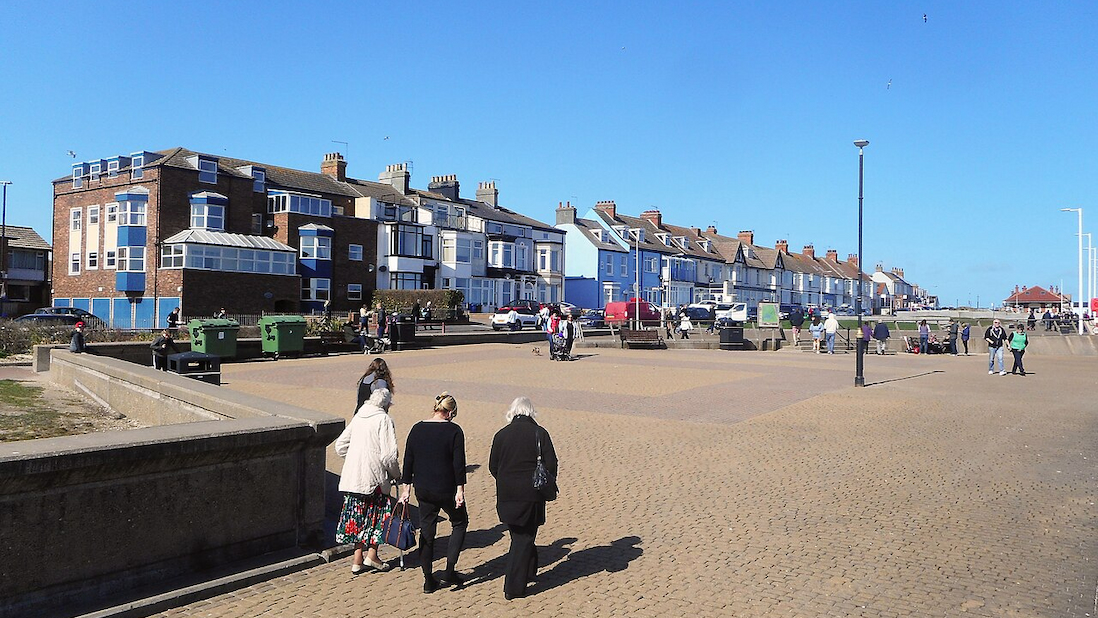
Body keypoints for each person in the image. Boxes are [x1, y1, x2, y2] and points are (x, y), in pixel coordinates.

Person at [489, 397, 558, 601]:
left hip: (507, 495)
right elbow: (551, 464)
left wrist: (506, 480)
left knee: (520, 536)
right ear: (531, 413)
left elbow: (493, 466)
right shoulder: (540, 433)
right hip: (531, 495)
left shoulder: (501, 435)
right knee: (524, 538)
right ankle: (513, 586)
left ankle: (529, 569)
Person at [399, 393, 468, 593]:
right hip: (446, 488)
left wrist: (406, 488)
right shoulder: (454, 431)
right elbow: (458, 463)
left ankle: (428, 579)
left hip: (424, 489)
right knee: (459, 522)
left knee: (427, 532)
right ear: (451, 412)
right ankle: (449, 570)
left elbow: (408, 459)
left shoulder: (417, 428)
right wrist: (460, 489)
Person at [333, 388, 400, 574]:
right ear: (386, 405)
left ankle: (357, 559)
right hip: (373, 480)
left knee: (357, 518)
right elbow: (388, 456)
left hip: (353, 478)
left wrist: (356, 458)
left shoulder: (359, 416)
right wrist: (396, 474)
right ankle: (372, 555)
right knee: (376, 518)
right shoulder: (384, 420)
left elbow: (340, 446)